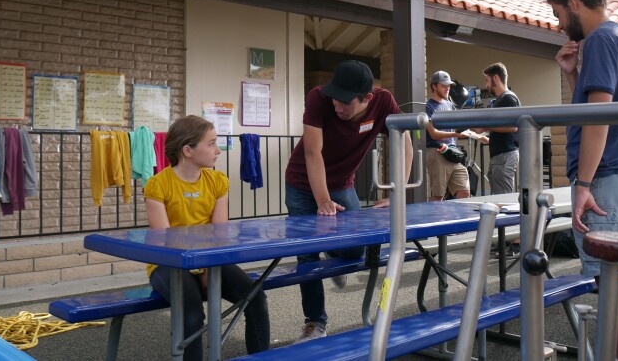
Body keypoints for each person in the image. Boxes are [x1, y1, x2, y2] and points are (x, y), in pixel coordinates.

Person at [549, 0, 618, 361]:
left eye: (558, 14)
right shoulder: (617, 36)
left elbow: (598, 118)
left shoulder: (602, 39)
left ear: (574, 2)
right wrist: (573, 76)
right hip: (612, 171)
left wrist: (583, 184)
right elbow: (595, 106)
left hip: (603, 175)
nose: (559, 25)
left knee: (612, 279)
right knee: (616, 276)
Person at [284, 59, 413, 343]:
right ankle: (315, 323)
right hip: (302, 185)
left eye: (344, 102)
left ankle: (334, 251)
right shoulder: (318, 98)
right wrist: (323, 200)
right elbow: (311, 153)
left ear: (367, 97)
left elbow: (404, 142)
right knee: (307, 254)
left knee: (357, 249)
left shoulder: (383, 102)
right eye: (334, 99)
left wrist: (397, 192)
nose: (337, 107)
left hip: (343, 185)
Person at [145, 115, 270, 361]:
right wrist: (201, 266)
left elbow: (219, 233)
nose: (218, 150)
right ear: (188, 150)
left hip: (209, 257)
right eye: (211, 143)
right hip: (168, 263)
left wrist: (207, 267)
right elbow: (165, 242)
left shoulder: (218, 182)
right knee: (191, 314)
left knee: (255, 297)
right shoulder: (157, 185)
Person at [425, 70, 470, 201]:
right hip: (437, 152)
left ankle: (457, 219)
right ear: (434, 86)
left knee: (464, 191)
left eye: (448, 86)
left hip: (452, 153)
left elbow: (458, 126)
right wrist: (456, 134)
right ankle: (434, 220)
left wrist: (475, 133)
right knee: (438, 195)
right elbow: (433, 134)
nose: (447, 89)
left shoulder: (450, 105)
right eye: (443, 86)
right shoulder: (428, 107)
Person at [481, 62, 521, 194]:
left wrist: (484, 126)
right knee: (499, 198)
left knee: (504, 200)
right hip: (500, 156)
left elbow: (513, 126)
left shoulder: (508, 98)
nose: (487, 85)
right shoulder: (500, 100)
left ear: (496, 78)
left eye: (488, 80)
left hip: (504, 156)